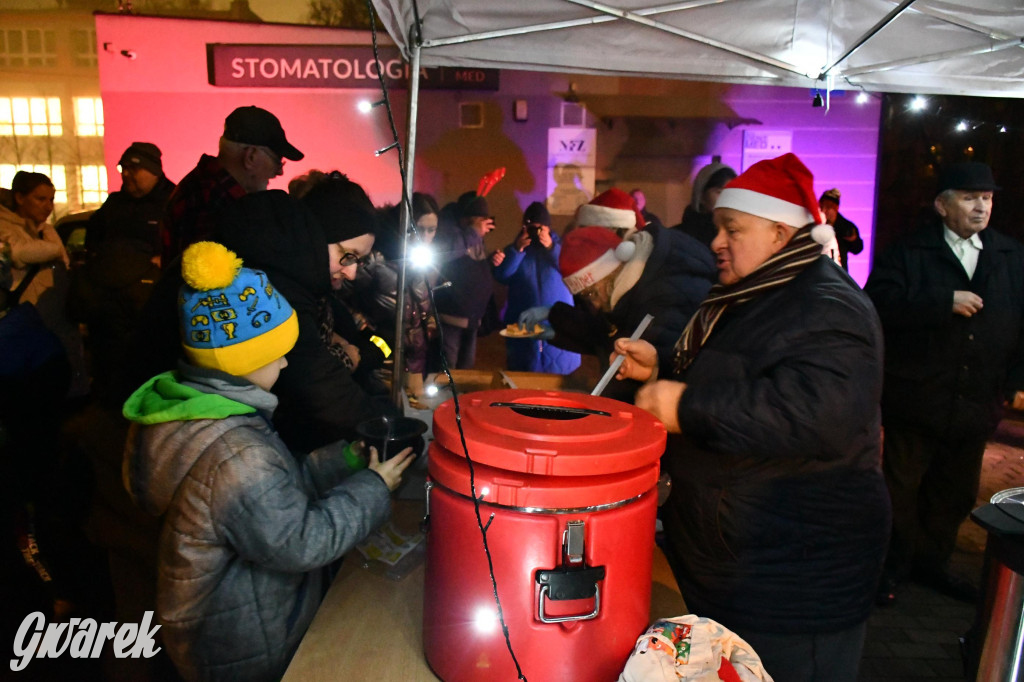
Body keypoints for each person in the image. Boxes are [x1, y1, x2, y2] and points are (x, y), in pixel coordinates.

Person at [615, 153, 890, 682]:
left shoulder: (830, 307)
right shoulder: (754, 295)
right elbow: (743, 370)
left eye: (732, 228)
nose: (717, 241)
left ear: (781, 233)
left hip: (792, 582)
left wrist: (686, 407)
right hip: (737, 562)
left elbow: (816, 412)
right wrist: (664, 361)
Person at [122, 241, 414, 681]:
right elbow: (300, 540)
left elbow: (270, 496)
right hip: (243, 639)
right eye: (273, 353)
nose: (283, 361)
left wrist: (342, 461)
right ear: (240, 362)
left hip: (222, 618)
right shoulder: (236, 452)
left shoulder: (201, 416)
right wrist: (373, 487)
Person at [865, 161, 1024, 605]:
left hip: (976, 402)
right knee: (901, 489)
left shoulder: (1010, 255)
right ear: (942, 204)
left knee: (953, 494)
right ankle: (892, 568)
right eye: (970, 197)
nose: (981, 207)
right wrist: (940, 302)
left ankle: (932, 565)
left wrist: (1014, 381)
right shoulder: (909, 252)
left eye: (988, 198)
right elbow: (879, 304)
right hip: (916, 398)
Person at [213, 172, 395, 453]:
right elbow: (316, 384)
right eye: (347, 255)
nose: (352, 272)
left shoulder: (304, 281)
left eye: (359, 260)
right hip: (228, 444)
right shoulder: (276, 282)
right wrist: (386, 431)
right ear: (317, 234)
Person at [77, 142, 176, 403]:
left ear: (154, 170)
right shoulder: (114, 204)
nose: (127, 174)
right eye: (124, 168)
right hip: (107, 308)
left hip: (148, 309)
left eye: (134, 168)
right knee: (108, 372)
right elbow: (93, 240)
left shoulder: (173, 201)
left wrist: (162, 261)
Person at [161, 105, 303, 266]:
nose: (279, 173)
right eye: (278, 162)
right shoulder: (215, 201)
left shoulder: (203, 187)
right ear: (251, 157)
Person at [0, 171, 86, 396]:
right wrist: (55, 250)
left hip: (56, 318)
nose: (48, 206)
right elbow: (19, 253)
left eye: (51, 199)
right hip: (25, 317)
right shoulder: (5, 227)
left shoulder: (47, 231)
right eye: (40, 199)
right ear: (20, 198)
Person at [492, 201, 580, 374]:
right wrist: (517, 250)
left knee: (559, 381)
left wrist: (551, 247)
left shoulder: (561, 249)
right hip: (524, 327)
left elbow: (571, 270)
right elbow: (502, 276)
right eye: (530, 228)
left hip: (556, 325)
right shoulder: (515, 249)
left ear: (547, 228)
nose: (534, 233)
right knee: (525, 378)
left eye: (539, 228)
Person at [432, 191, 497, 369]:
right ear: (467, 219)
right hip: (451, 315)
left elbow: (470, 265)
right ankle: (446, 397)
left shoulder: (472, 236)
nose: (484, 228)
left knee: (467, 368)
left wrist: (491, 261)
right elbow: (448, 253)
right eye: (480, 222)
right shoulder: (448, 230)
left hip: (473, 316)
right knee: (448, 368)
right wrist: (473, 233)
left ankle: (463, 397)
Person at [674, 162, 737, 249]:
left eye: (731, 193)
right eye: (719, 192)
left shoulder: (738, 236)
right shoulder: (677, 238)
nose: (726, 199)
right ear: (701, 196)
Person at [818, 188, 864, 271]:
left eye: (828, 207)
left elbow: (857, 249)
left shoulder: (846, 226)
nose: (823, 210)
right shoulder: (813, 224)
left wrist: (853, 240)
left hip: (838, 271)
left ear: (836, 208)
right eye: (821, 206)